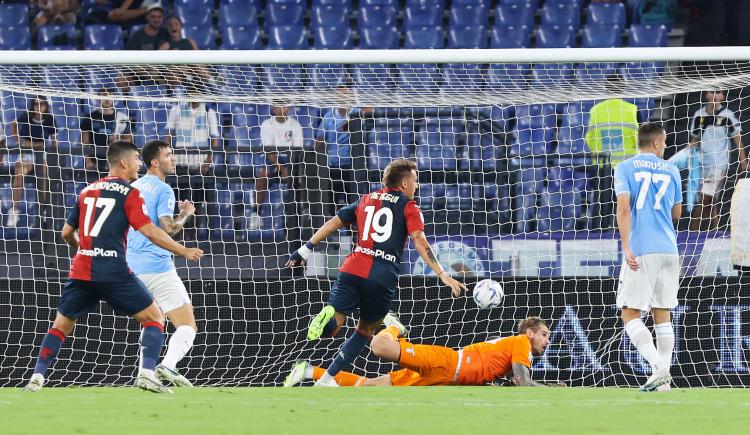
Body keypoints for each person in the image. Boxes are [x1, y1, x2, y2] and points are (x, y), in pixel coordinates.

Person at [23, 141, 203, 393]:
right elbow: (154, 230)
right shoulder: (130, 193)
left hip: (83, 268)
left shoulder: (87, 190)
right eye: (137, 160)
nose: (139, 164)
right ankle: (148, 373)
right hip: (117, 269)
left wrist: (85, 249)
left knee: (60, 326)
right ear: (124, 162)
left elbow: (66, 233)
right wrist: (183, 249)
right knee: (154, 319)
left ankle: (37, 377)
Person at [286, 159, 468, 387]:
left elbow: (335, 221)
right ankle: (327, 378)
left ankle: (327, 318)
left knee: (334, 327)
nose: (417, 185)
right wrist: (442, 273)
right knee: (365, 331)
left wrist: (305, 250)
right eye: (415, 180)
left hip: (352, 268)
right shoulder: (409, 206)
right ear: (403, 183)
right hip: (381, 275)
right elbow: (419, 241)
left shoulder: (366, 199)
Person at [284, 316, 559, 387]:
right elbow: (524, 383)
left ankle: (308, 371)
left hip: (443, 379)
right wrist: (554, 387)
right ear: (530, 333)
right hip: (449, 362)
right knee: (380, 345)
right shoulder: (522, 343)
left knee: (368, 386)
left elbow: (514, 381)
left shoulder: (514, 347)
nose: (547, 340)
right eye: (544, 334)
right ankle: (394, 327)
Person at [614, 123, 682, 392]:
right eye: (664, 142)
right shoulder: (673, 170)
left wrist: (626, 246)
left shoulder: (624, 168)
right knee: (662, 313)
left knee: (630, 313)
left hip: (642, 249)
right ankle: (663, 383)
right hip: (669, 248)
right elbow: (677, 213)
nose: (665, 146)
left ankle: (659, 368)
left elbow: (623, 208)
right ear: (655, 144)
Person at [127, 140, 197, 387]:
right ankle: (167, 365)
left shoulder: (133, 186)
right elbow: (168, 229)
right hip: (158, 266)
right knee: (187, 325)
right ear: (155, 162)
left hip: (132, 268)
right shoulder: (164, 189)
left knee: (154, 321)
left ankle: (143, 375)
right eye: (168, 155)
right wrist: (186, 213)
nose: (173, 158)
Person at [585, 75, 640, 230]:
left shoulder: (596, 110)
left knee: (602, 206)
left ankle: (600, 236)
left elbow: (589, 138)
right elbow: (640, 139)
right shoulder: (632, 109)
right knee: (625, 205)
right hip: (627, 167)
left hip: (603, 167)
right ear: (623, 86)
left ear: (606, 87)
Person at [687, 89, 747, 230]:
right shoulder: (699, 115)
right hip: (701, 163)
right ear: (706, 94)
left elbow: (738, 140)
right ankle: (715, 232)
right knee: (710, 201)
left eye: (719, 92)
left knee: (705, 199)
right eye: (712, 92)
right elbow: (695, 140)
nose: (715, 95)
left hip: (719, 164)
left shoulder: (728, 116)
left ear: (723, 96)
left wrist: (744, 162)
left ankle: (693, 234)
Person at [6, 95, 56, 228]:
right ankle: (14, 210)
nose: (39, 107)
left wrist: (54, 155)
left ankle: (44, 211)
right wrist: (20, 141)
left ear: (46, 106)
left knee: (45, 176)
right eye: (36, 104)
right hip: (27, 152)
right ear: (32, 106)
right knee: (19, 175)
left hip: (42, 152)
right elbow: (13, 124)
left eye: (42, 104)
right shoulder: (26, 116)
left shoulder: (50, 119)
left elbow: (53, 140)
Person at [254, 104, 302, 229]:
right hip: (272, 160)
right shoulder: (266, 124)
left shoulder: (295, 125)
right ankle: (256, 213)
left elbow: (297, 151)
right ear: (273, 108)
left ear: (289, 108)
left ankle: (300, 212)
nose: (281, 109)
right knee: (262, 176)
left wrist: (289, 168)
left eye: (284, 106)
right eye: (278, 106)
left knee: (302, 178)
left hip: (290, 159)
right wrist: (282, 169)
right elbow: (268, 151)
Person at [80, 88, 132, 175]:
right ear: (98, 99)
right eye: (104, 95)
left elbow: (129, 139)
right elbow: (84, 142)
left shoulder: (122, 118)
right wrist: (88, 161)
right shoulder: (89, 118)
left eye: (110, 95)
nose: (107, 98)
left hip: (116, 160)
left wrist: (119, 141)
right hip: (95, 161)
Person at [166, 99, 218, 174]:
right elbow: (168, 137)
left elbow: (214, 141)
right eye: (192, 90)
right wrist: (170, 158)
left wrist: (207, 163)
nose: (194, 93)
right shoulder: (176, 110)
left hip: (202, 164)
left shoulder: (209, 112)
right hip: (180, 163)